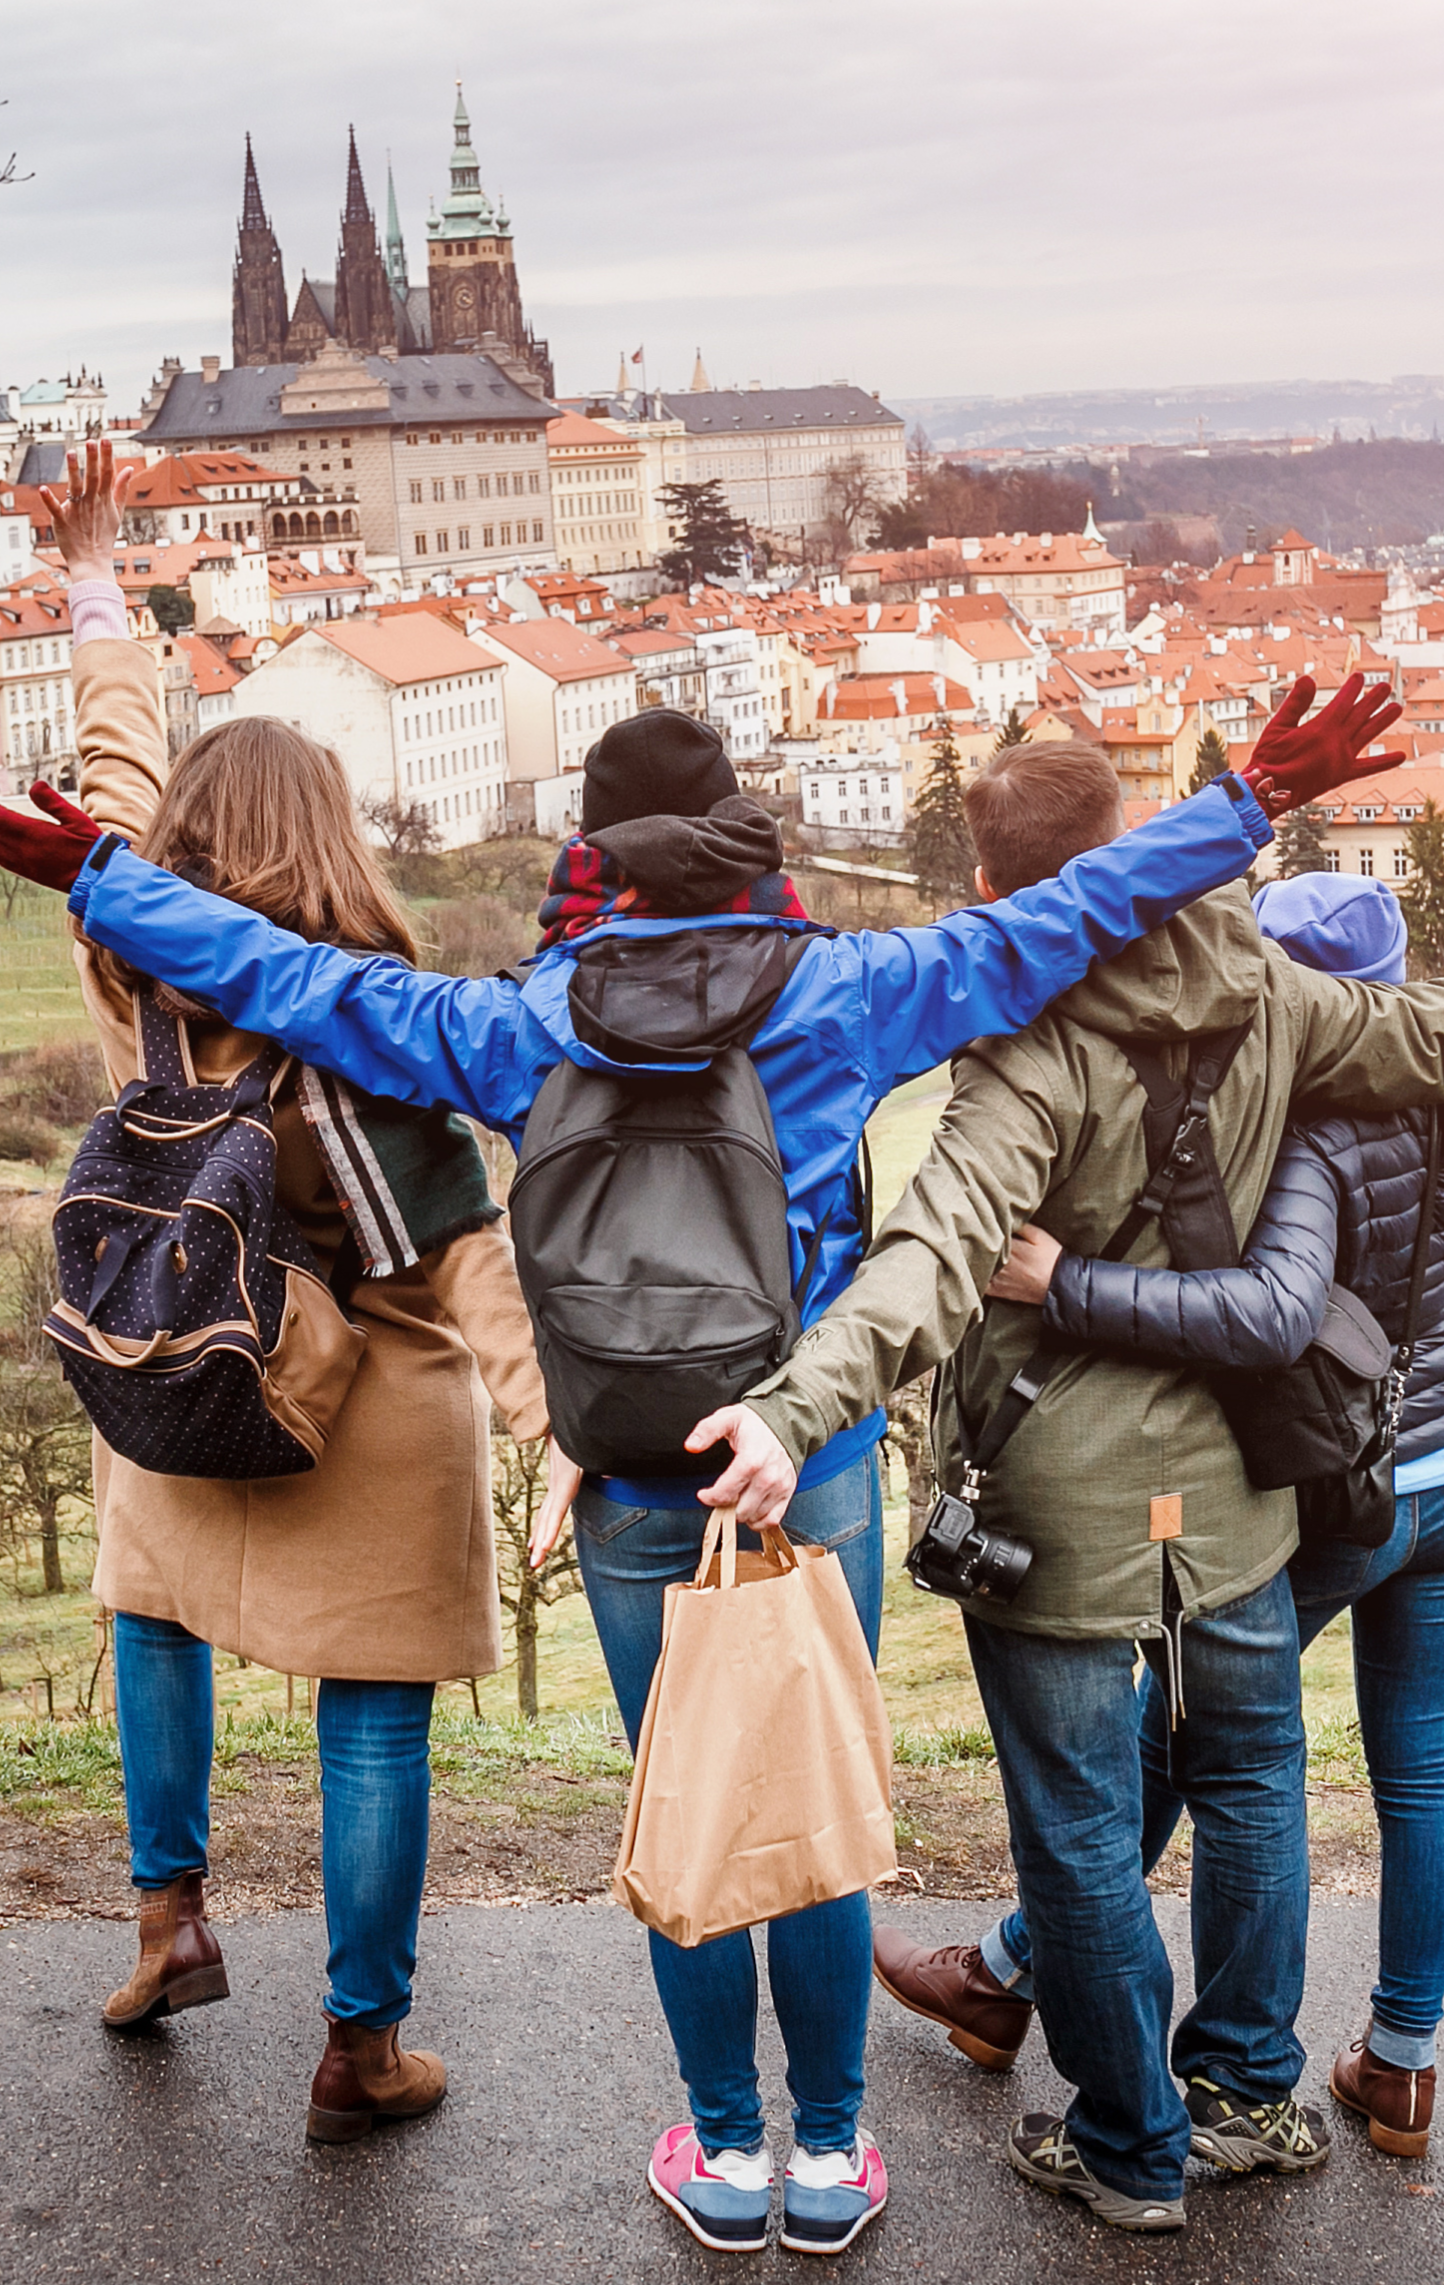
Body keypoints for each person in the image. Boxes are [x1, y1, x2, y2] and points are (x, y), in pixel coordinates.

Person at [0, 507, 1339, 2253]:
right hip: (809, 1450)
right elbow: (1062, 918)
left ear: (603, 866)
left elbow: (292, 977)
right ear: (743, 853)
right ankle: (831, 2151)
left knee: (694, 1804)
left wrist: (101, 880)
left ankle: (722, 2149)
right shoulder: (850, 993)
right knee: (810, 1799)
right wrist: (1241, 808)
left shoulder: (512, 1023)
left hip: (637, 1464)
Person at [691, 766, 1444, 2235]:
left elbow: (926, 1257)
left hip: (1061, 1513)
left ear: (1001, 895)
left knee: (1087, 1838)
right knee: (1249, 1785)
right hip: (1232, 1495)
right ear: (1140, 847)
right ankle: (1241, 2090)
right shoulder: (1270, 992)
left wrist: (794, 1406)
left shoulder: (1027, 1051)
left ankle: (1129, 2146)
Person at [39, 443, 558, 2142]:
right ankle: (360, 2045)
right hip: (372, 1399)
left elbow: (107, 778)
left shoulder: (136, 948)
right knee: (374, 1731)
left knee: (150, 1624)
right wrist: (558, 1432)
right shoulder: (369, 1003)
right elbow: (458, 1242)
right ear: (331, 832)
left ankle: (169, 1915)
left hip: (183, 1349)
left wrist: (101, 579)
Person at [918, 873, 1444, 2163]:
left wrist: (1069, 1280)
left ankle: (1016, 1985)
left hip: (1341, 1482)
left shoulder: (1303, 1117)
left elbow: (1265, 1314)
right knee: (1415, 1769)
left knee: (1196, 1755)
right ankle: (1400, 2065)